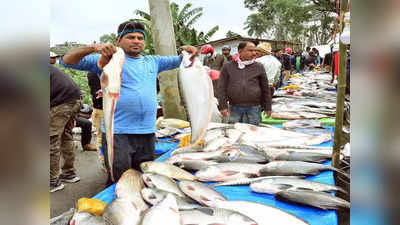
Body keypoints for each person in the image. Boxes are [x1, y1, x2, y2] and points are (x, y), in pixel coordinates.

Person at [60, 21, 198, 185]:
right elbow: (66, 61)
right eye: (130, 37)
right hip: (117, 133)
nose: (136, 40)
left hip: (147, 132)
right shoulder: (106, 60)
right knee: (120, 181)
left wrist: (190, 51)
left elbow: (182, 59)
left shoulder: (153, 61)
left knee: (144, 178)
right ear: (118, 40)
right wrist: (92, 48)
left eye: (140, 38)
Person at [217, 41, 272, 125]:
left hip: (254, 108)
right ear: (240, 51)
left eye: (255, 50)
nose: (254, 53)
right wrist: (223, 106)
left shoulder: (259, 66)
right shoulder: (228, 66)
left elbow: (265, 88)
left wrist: (268, 107)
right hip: (234, 108)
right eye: (250, 50)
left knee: (253, 134)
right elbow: (221, 88)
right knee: (234, 133)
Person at [50, 64, 82, 192]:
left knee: (50, 139)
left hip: (61, 103)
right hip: (74, 99)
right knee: (66, 136)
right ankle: (69, 173)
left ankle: (52, 182)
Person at [87, 71, 104, 163]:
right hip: (100, 110)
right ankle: (103, 162)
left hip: (110, 109)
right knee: (102, 137)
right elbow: (97, 93)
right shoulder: (94, 73)